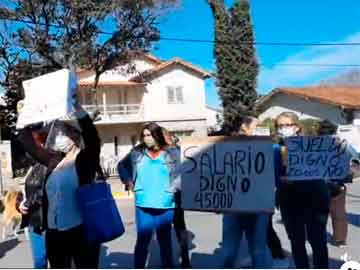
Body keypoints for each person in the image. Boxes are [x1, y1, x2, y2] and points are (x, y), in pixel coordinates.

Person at [17, 101, 101, 268]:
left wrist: (78, 108)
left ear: (76, 136)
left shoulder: (85, 161)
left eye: (63, 131)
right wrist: (25, 113)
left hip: (80, 231)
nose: (56, 135)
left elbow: (92, 138)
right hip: (54, 233)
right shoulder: (53, 160)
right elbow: (26, 141)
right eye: (56, 131)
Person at [117, 122, 180, 268]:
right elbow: (121, 166)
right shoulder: (137, 152)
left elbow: (184, 172)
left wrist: (176, 188)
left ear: (157, 135)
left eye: (149, 135)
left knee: (165, 243)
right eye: (144, 135)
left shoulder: (172, 153)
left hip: (165, 203)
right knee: (142, 241)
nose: (147, 138)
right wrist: (128, 181)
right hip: (143, 204)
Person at [275, 112, 330, 269]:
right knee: (296, 241)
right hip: (289, 201)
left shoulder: (312, 145)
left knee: (317, 240)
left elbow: (324, 169)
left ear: (297, 127)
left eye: (287, 125)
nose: (283, 128)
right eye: (280, 125)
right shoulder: (276, 149)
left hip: (315, 198)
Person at [221, 116, 273, 269]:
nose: (261, 129)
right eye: (257, 126)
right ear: (244, 128)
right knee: (228, 252)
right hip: (232, 208)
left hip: (259, 208)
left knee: (258, 252)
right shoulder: (223, 149)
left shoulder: (269, 148)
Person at [317, 119, 356, 248]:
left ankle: (318, 236)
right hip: (338, 182)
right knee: (339, 212)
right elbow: (354, 157)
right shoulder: (342, 144)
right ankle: (340, 240)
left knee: (318, 212)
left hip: (319, 183)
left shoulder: (314, 145)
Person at [162, 128, 192, 268]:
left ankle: (185, 259)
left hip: (176, 195)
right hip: (161, 195)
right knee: (165, 228)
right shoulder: (153, 153)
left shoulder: (180, 151)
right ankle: (169, 261)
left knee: (179, 226)